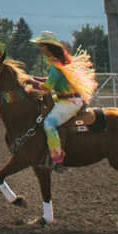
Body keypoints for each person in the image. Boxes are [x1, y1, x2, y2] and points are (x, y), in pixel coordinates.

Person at [32, 33, 95, 166]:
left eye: (41, 46)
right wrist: (34, 80)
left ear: (48, 47)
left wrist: (32, 83)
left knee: (49, 123)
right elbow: (51, 81)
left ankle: (57, 159)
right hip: (67, 99)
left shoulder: (55, 65)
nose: (39, 48)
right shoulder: (58, 63)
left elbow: (48, 86)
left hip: (69, 102)